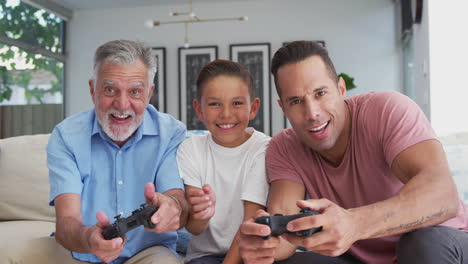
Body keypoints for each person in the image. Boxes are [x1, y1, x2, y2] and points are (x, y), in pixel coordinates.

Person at [238, 40, 468, 264]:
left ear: (340, 89)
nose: (312, 113)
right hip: (359, 257)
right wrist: (264, 244)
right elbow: (286, 230)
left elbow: (443, 195)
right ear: (283, 107)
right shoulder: (284, 147)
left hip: (443, 242)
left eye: (320, 93)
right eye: (296, 101)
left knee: (421, 243)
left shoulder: (387, 110)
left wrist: (354, 222)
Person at [47, 39, 189, 264]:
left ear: (149, 93)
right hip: (85, 252)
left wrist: (172, 207)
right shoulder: (66, 136)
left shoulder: (171, 133)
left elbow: (177, 198)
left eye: (134, 92)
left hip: (149, 250)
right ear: (93, 89)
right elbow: (66, 223)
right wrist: (89, 238)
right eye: (110, 89)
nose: (122, 105)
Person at [176, 60, 271, 264]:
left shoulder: (263, 148)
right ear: (199, 109)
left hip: (249, 251)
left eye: (237, 103)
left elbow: (250, 222)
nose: (226, 114)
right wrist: (202, 214)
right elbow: (193, 227)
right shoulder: (190, 148)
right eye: (214, 104)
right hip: (204, 256)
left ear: (253, 107)